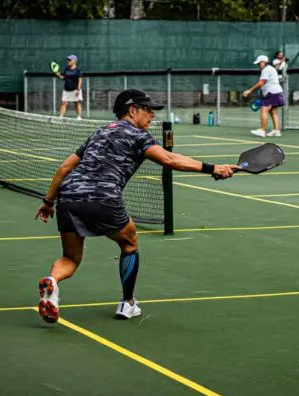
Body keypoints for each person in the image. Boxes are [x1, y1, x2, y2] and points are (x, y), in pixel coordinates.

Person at [34, 89, 239, 323]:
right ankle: (127, 303)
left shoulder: (100, 132)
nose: (152, 115)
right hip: (103, 196)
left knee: (70, 258)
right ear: (132, 111)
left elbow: (63, 168)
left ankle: (52, 282)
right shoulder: (137, 135)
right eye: (148, 110)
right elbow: (170, 160)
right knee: (129, 243)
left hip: (68, 196)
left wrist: (48, 202)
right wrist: (213, 168)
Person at [243, 55, 284, 138]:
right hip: (277, 92)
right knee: (273, 111)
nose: (258, 65)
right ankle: (276, 131)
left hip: (272, 92)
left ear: (263, 62)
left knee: (264, 109)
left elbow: (261, 83)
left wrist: (249, 91)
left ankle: (262, 130)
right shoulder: (271, 68)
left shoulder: (266, 70)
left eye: (259, 63)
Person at [56, 54, 83, 119]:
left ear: (74, 61)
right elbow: (64, 78)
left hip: (75, 89)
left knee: (77, 103)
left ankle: (79, 116)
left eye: (70, 60)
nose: (68, 61)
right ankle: (61, 117)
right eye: (68, 60)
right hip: (66, 89)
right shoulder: (67, 69)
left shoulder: (78, 70)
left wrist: (78, 89)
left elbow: (80, 80)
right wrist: (59, 75)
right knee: (64, 103)